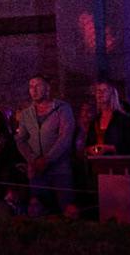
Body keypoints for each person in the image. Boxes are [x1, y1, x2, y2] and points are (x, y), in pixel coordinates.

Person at [16, 74, 76, 211]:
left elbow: (65, 136)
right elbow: (21, 140)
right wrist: (33, 160)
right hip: (37, 171)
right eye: (31, 87)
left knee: (65, 207)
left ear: (47, 88)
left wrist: (48, 159)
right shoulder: (26, 114)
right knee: (38, 208)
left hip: (60, 170)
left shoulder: (62, 109)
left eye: (38, 86)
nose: (34, 90)